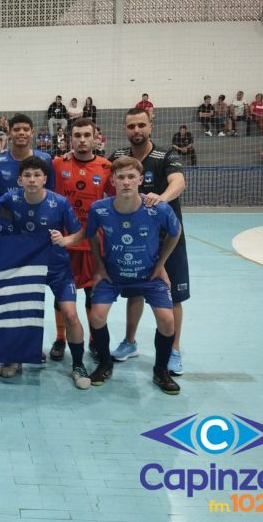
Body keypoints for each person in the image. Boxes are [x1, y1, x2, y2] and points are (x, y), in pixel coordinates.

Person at [85, 156, 182, 395]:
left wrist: (161, 264)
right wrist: (99, 265)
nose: (126, 182)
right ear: (113, 181)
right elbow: (92, 236)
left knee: (167, 321)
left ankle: (161, 370)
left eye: (131, 177)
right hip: (113, 275)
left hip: (149, 275)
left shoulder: (157, 208)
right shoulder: (100, 209)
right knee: (96, 317)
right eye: (121, 177)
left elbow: (175, 232)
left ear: (141, 180)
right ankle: (105, 364)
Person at [109, 108, 189, 376]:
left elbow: (179, 181)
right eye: (131, 126)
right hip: (133, 243)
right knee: (134, 292)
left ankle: (174, 349)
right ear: (125, 129)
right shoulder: (119, 157)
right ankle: (130, 342)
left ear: (150, 126)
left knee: (173, 296)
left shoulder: (166, 155)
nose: (136, 131)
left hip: (168, 240)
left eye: (141, 125)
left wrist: (161, 198)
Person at [0, 156, 89, 387]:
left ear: (45, 179)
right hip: (25, 268)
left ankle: (78, 364)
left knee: (70, 314)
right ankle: (17, 357)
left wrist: (65, 239)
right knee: (18, 313)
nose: (32, 180)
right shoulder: (11, 199)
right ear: (19, 180)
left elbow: (79, 233)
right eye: (27, 175)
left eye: (37, 175)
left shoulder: (60, 203)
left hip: (57, 268)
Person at [50, 118, 113, 362]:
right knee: (60, 294)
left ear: (96, 138)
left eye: (87, 135)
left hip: (94, 244)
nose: (82, 140)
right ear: (69, 138)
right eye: (77, 135)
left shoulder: (107, 167)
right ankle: (60, 338)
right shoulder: (57, 164)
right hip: (63, 242)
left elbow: (117, 202)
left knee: (92, 294)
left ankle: (94, 340)